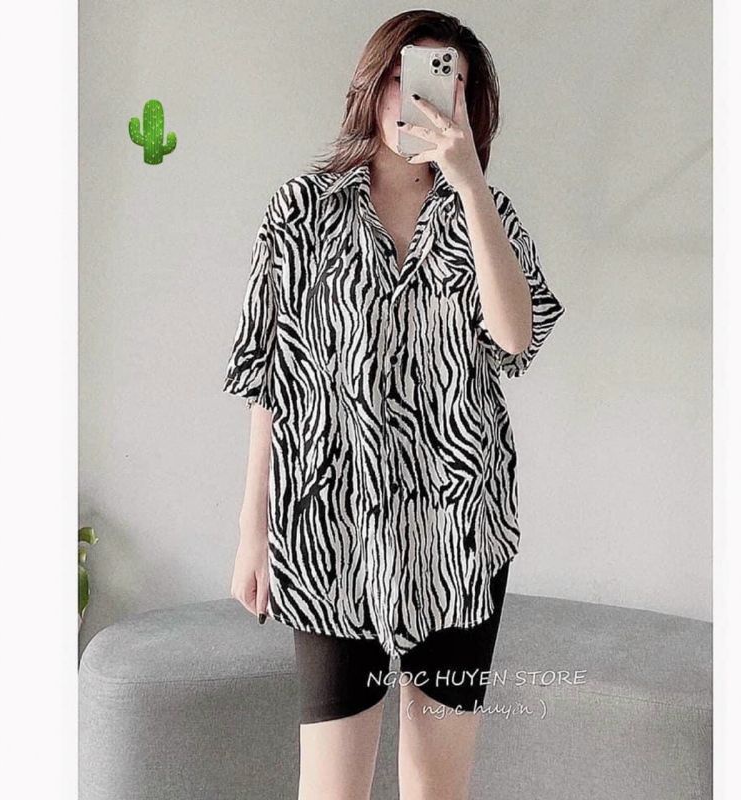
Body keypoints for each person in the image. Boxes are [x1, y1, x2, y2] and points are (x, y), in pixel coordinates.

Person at [225, 10, 565, 800]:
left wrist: (469, 183)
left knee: (436, 790)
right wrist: (252, 527)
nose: (417, 99)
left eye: (446, 82)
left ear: (467, 104)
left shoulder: (487, 215)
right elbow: (268, 374)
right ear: (374, 84)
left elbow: (515, 339)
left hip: (459, 534)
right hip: (330, 530)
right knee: (331, 789)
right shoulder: (302, 211)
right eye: (403, 77)